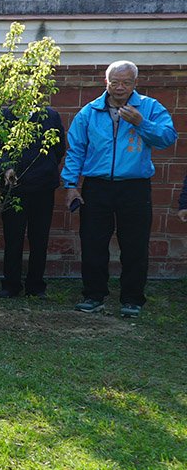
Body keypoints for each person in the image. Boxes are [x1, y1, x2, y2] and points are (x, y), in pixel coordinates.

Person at [62, 60, 178, 318]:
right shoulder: (90, 112)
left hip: (134, 187)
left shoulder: (149, 108)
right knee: (92, 242)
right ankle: (94, 295)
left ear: (136, 83)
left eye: (126, 82)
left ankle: (132, 299)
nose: (120, 87)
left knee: (135, 244)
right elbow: (76, 151)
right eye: (115, 82)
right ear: (106, 82)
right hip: (97, 187)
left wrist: (141, 122)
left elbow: (168, 138)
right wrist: (71, 185)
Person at [0, 105, 65, 299]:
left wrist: (44, 169)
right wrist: (7, 168)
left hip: (43, 187)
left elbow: (59, 149)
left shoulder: (50, 115)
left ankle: (36, 286)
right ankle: (11, 285)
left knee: (39, 238)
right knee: (12, 238)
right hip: (13, 188)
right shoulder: (4, 116)